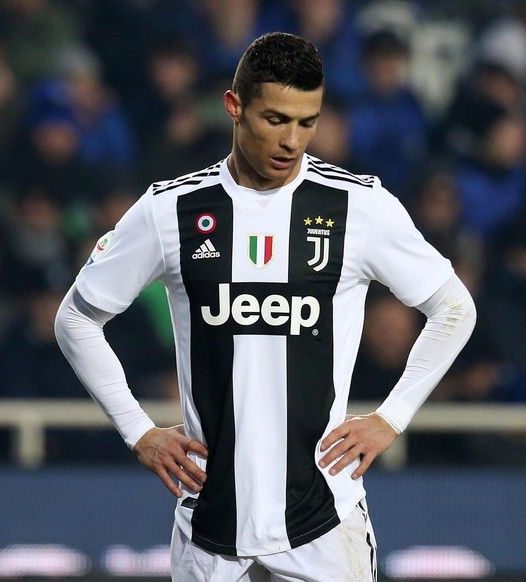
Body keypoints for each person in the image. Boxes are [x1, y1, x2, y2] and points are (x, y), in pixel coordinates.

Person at [54, 32, 476, 581]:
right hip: (208, 522)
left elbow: (454, 309)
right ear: (235, 107)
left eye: (308, 121)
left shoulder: (357, 207)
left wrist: (390, 419)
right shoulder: (172, 211)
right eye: (276, 119)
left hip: (324, 518)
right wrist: (138, 430)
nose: (292, 141)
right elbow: (76, 319)